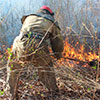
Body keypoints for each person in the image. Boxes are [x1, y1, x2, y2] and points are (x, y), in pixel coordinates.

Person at [6, 6, 64, 100]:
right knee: (46, 69)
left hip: (20, 43)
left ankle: (11, 95)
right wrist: (58, 55)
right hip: (39, 45)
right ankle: (53, 94)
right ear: (50, 14)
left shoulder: (29, 18)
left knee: (13, 68)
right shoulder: (52, 23)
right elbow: (57, 43)